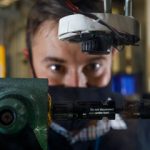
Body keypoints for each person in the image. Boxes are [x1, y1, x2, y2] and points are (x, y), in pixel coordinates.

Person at [25, 0, 148, 150]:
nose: (77, 83)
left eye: (94, 66)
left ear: (112, 57)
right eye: (56, 67)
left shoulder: (143, 130)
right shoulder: (8, 135)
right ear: (30, 62)